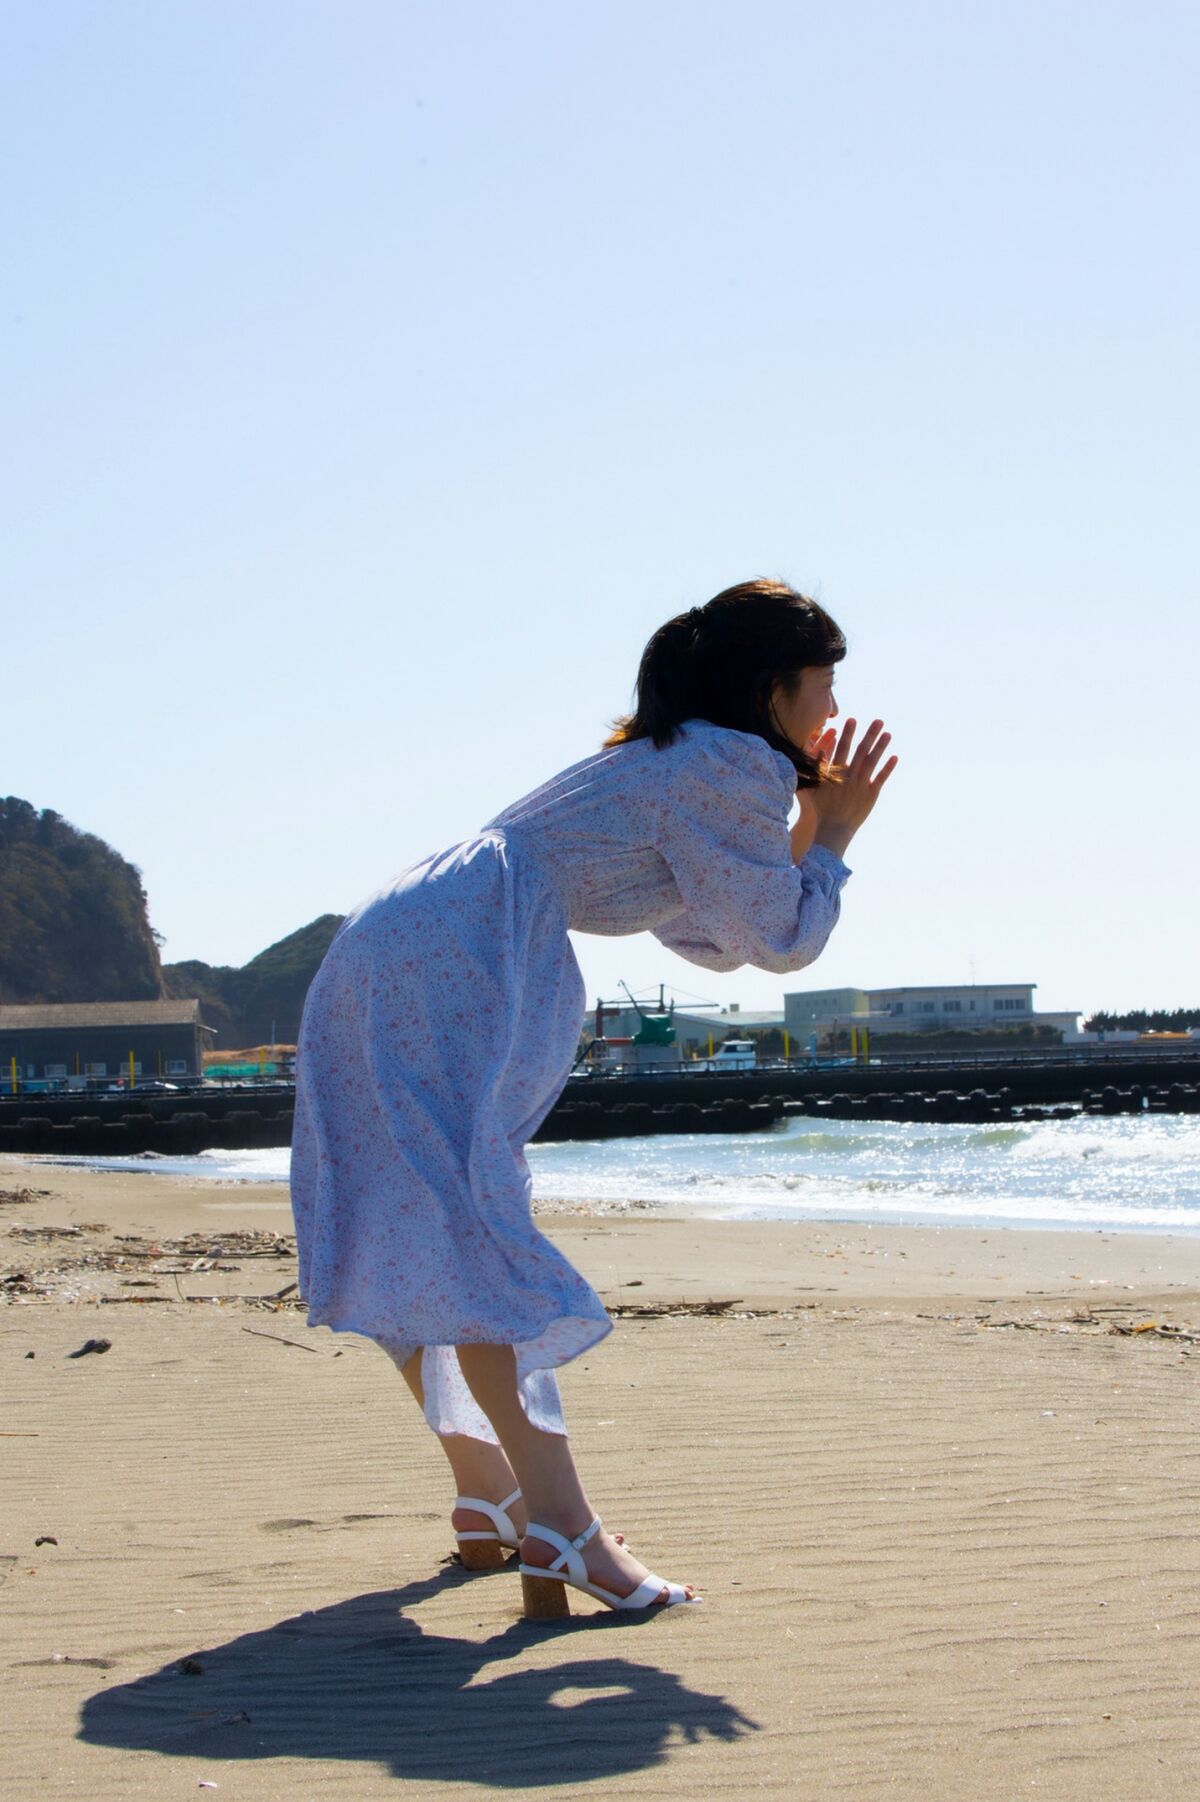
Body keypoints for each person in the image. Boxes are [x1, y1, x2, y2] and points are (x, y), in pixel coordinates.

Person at [290, 577, 897, 1614]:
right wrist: (837, 834)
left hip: (401, 931)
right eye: (824, 687)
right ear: (772, 689)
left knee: (425, 1213)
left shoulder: (683, 757)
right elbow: (786, 939)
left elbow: (717, 937)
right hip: (458, 945)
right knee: (471, 1225)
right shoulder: (730, 762)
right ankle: (562, 1527)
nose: (834, 714)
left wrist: (803, 825)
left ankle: (491, 1491)